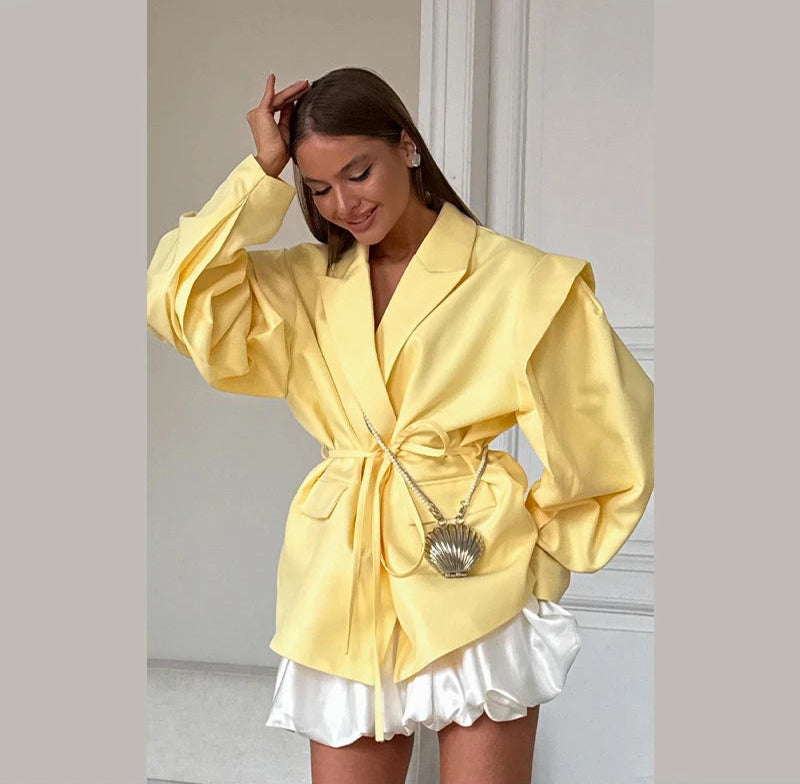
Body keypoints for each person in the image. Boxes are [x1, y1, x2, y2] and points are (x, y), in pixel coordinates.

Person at [146, 66, 655, 784]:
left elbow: (610, 437)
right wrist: (259, 172)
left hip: (477, 568)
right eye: (318, 189)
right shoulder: (303, 283)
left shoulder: (518, 279)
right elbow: (176, 297)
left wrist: (538, 567)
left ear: (408, 147)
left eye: (359, 173)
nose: (344, 204)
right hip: (341, 573)